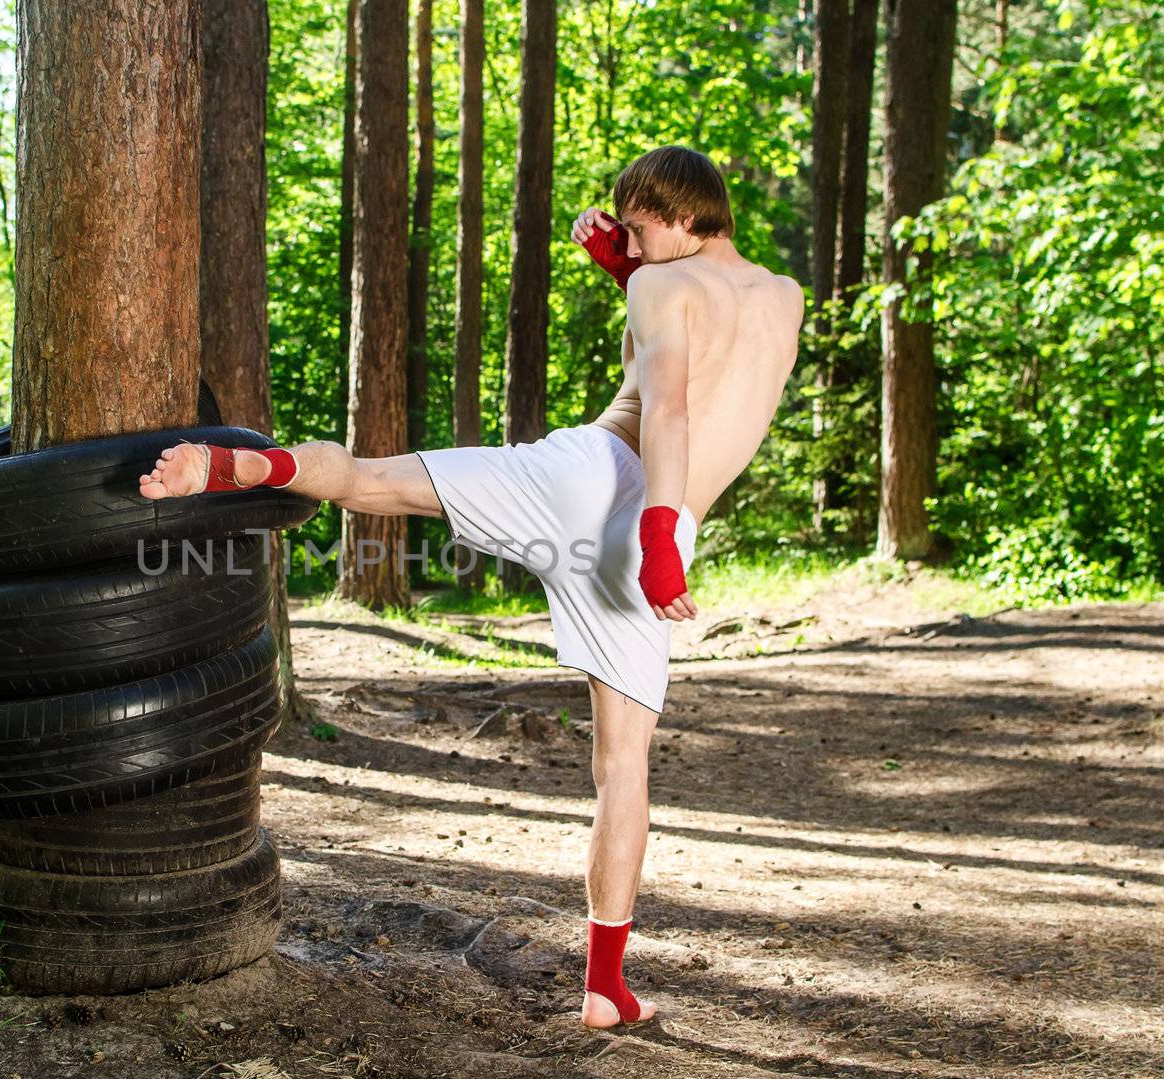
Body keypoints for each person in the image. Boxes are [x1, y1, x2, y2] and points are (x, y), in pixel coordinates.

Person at [139, 145, 804, 1029]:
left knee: (377, 483)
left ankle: (235, 463)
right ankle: (605, 987)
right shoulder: (782, 297)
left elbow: (671, 401)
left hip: (603, 482)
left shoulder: (658, 284)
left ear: (685, 215)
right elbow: (706, 369)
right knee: (622, 767)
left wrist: (652, 532)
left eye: (639, 231)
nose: (632, 249)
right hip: (660, 526)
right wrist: (664, 540)